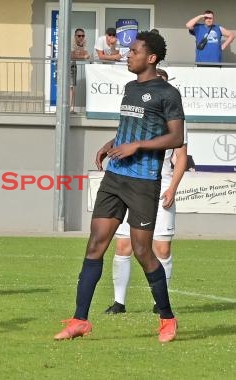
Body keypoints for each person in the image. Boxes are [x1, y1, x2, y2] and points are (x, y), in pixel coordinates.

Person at [53, 31, 185, 343]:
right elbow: (128, 128)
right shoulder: (129, 87)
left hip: (143, 182)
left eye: (135, 50)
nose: (129, 54)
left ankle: (167, 318)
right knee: (95, 245)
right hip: (115, 177)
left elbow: (176, 138)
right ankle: (79, 320)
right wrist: (111, 144)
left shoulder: (167, 94)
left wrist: (137, 146)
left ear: (151, 57)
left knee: (142, 250)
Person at [105, 69, 188, 315]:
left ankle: (159, 304)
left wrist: (173, 187)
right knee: (123, 246)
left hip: (160, 186)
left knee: (161, 249)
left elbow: (180, 157)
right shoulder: (138, 116)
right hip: (131, 182)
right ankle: (118, 302)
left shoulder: (176, 121)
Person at [70, 28, 90, 113]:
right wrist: (82, 56)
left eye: (83, 36)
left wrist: (81, 47)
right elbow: (71, 55)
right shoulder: (70, 42)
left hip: (73, 65)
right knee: (68, 87)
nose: (81, 37)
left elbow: (86, 54)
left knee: (72, 87)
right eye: (79, 36)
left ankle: (71, 108)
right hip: (65, 66)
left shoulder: (81, 44)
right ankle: (64, 108)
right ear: (75, 36)